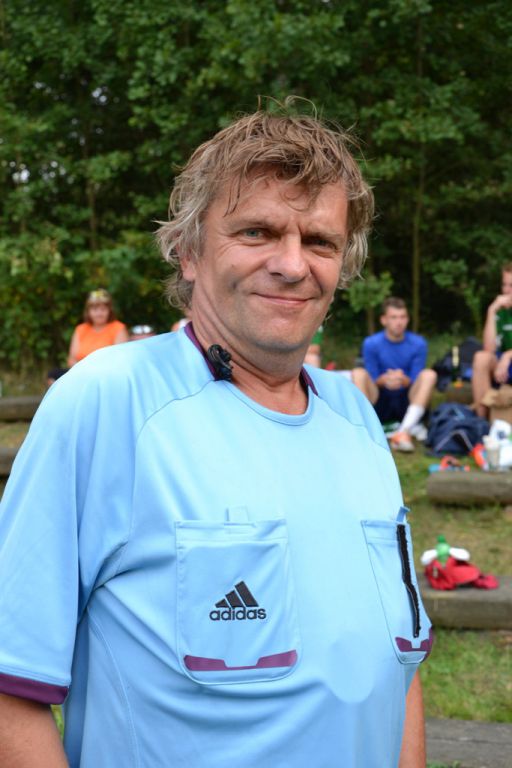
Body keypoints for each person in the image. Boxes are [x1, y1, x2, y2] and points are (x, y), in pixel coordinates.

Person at [0, 103, 431, 768]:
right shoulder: (107, 403)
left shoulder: (356, 418)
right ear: (188, 250)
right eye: (257, 231)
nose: (293, 264)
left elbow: (397, 666)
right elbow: (10, 692)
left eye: (320, 242)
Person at [352, 297, 437, 452]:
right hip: (380, 400)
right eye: (394, 317)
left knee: (429, 375)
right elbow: (372, 378)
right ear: (384, 320)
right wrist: (385, 380)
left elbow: (415, 379)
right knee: (358, 373)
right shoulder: (371, 343)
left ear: (407, 319)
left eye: (403, 317)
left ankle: (404, 431)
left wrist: (402, 379)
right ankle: (365, 428)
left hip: (407, 400)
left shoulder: (419, 343)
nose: (399, 322)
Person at [47, 289, 129, 385]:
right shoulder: (81, 329)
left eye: (103, 309)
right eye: (95, 309)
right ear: (88, 311)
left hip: (106, 374)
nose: (99, 313)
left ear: (109, 311)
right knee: (53, 374)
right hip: (81, 372)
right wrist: (82, 372)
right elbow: (72, 359)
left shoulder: (118, 328)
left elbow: (120, 360)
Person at [472, 264, 512, 417]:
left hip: (508, 360)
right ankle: (481, 422)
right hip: (503, 366)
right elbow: (489, 349)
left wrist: (507, 356)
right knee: (481, 358)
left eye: (511, 286)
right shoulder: (501, 311)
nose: (506, 290)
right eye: (504, 285)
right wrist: (491, 311)